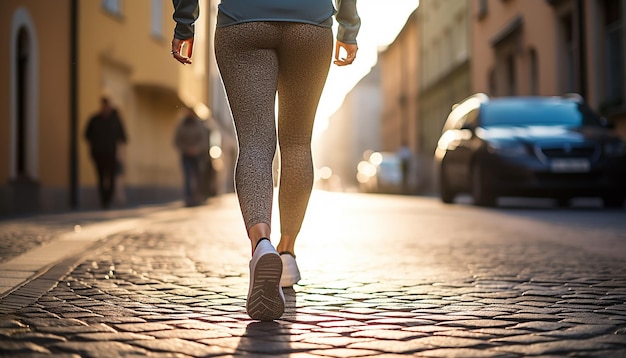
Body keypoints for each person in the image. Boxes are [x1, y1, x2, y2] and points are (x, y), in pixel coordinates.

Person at [171, 0, 360, 321]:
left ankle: (262, 245)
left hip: (242, 22)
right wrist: (348, 26)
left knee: (255, 145)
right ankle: (286, 253)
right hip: (310, 23)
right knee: (298, 143)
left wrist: (184, 23)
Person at [85, 97, 128, 209]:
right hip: (98, 153)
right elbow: (86, 135)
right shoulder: (95, 119)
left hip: (111, 154)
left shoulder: (115, 120)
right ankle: (104, 201)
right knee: (101, 178)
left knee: (112, 178)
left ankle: (107, 200)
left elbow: (123, 137)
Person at [174, 107, 209, 206]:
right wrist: (187, 149)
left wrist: (196, 149)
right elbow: (177, 140)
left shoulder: (199, 125)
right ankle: (188, 197)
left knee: (198, 175)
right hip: (186, 154)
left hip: (198, 155)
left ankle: (199, 196)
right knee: (187, 175)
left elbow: (204, 140)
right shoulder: (182, 125)